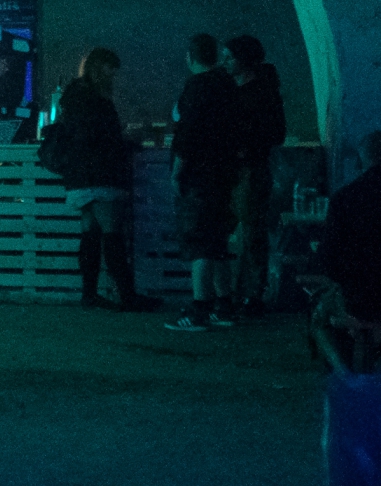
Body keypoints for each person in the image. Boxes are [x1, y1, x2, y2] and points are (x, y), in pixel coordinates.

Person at [50, 48, 160, 312]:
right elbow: (102, 138)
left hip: (79, 174)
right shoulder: (96, 99)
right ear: (99, 68)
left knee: (90, 231)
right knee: (112, 232)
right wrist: (128, 142)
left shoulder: (73, 96)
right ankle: (127, 296)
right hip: (100, 174)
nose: (114, 75)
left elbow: (84, 135)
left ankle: (89, 294)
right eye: (111, 69)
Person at [317, 131, 381, 367]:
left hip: (359, 301)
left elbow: (329, 260)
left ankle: (346, 373)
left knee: (320, 318)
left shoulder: (344, 198)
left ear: (361, 159)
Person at [165, 33, 242, 333]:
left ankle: (200, 309)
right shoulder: (228, 85)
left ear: (190, 57)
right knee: (218, 241)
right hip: (225, 174)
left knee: (200, 242)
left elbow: (188, 135)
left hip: (199, 176)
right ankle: (224, 305)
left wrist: (177, 172)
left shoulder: (197, 86)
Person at [223, 35, 286, 318]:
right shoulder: (244, 90)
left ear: (244, 60)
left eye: (230, 57)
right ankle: (241, 292)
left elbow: (276, 133)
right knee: (245, 231)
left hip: (249, 168)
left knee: (250, 232)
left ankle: (250, 294)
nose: (225, 62)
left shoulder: (260, 93)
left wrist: (244, 139)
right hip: (238, 168)